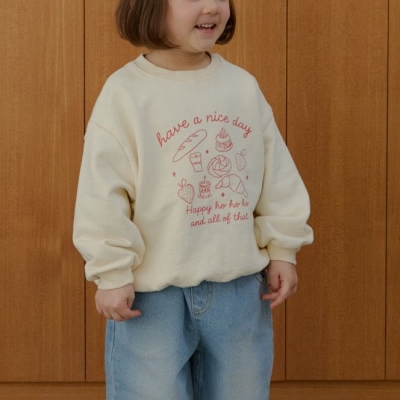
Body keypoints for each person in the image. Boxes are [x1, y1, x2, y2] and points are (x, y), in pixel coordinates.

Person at [73, 0, 313, 398]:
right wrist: (111, 272)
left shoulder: (241, 87)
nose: (212, 6)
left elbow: (276, 177)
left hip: (238, 290)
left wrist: (284, 248)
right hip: (151, 296)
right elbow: (102, 195)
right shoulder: (125, 94)